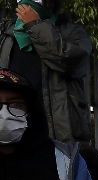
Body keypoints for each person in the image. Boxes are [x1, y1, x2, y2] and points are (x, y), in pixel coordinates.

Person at [0, 0, 91, 143]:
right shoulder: (5, 34)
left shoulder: (72, 33)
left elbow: (67, 62)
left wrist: (35, 25)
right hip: (12, 131)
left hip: (56, 135)